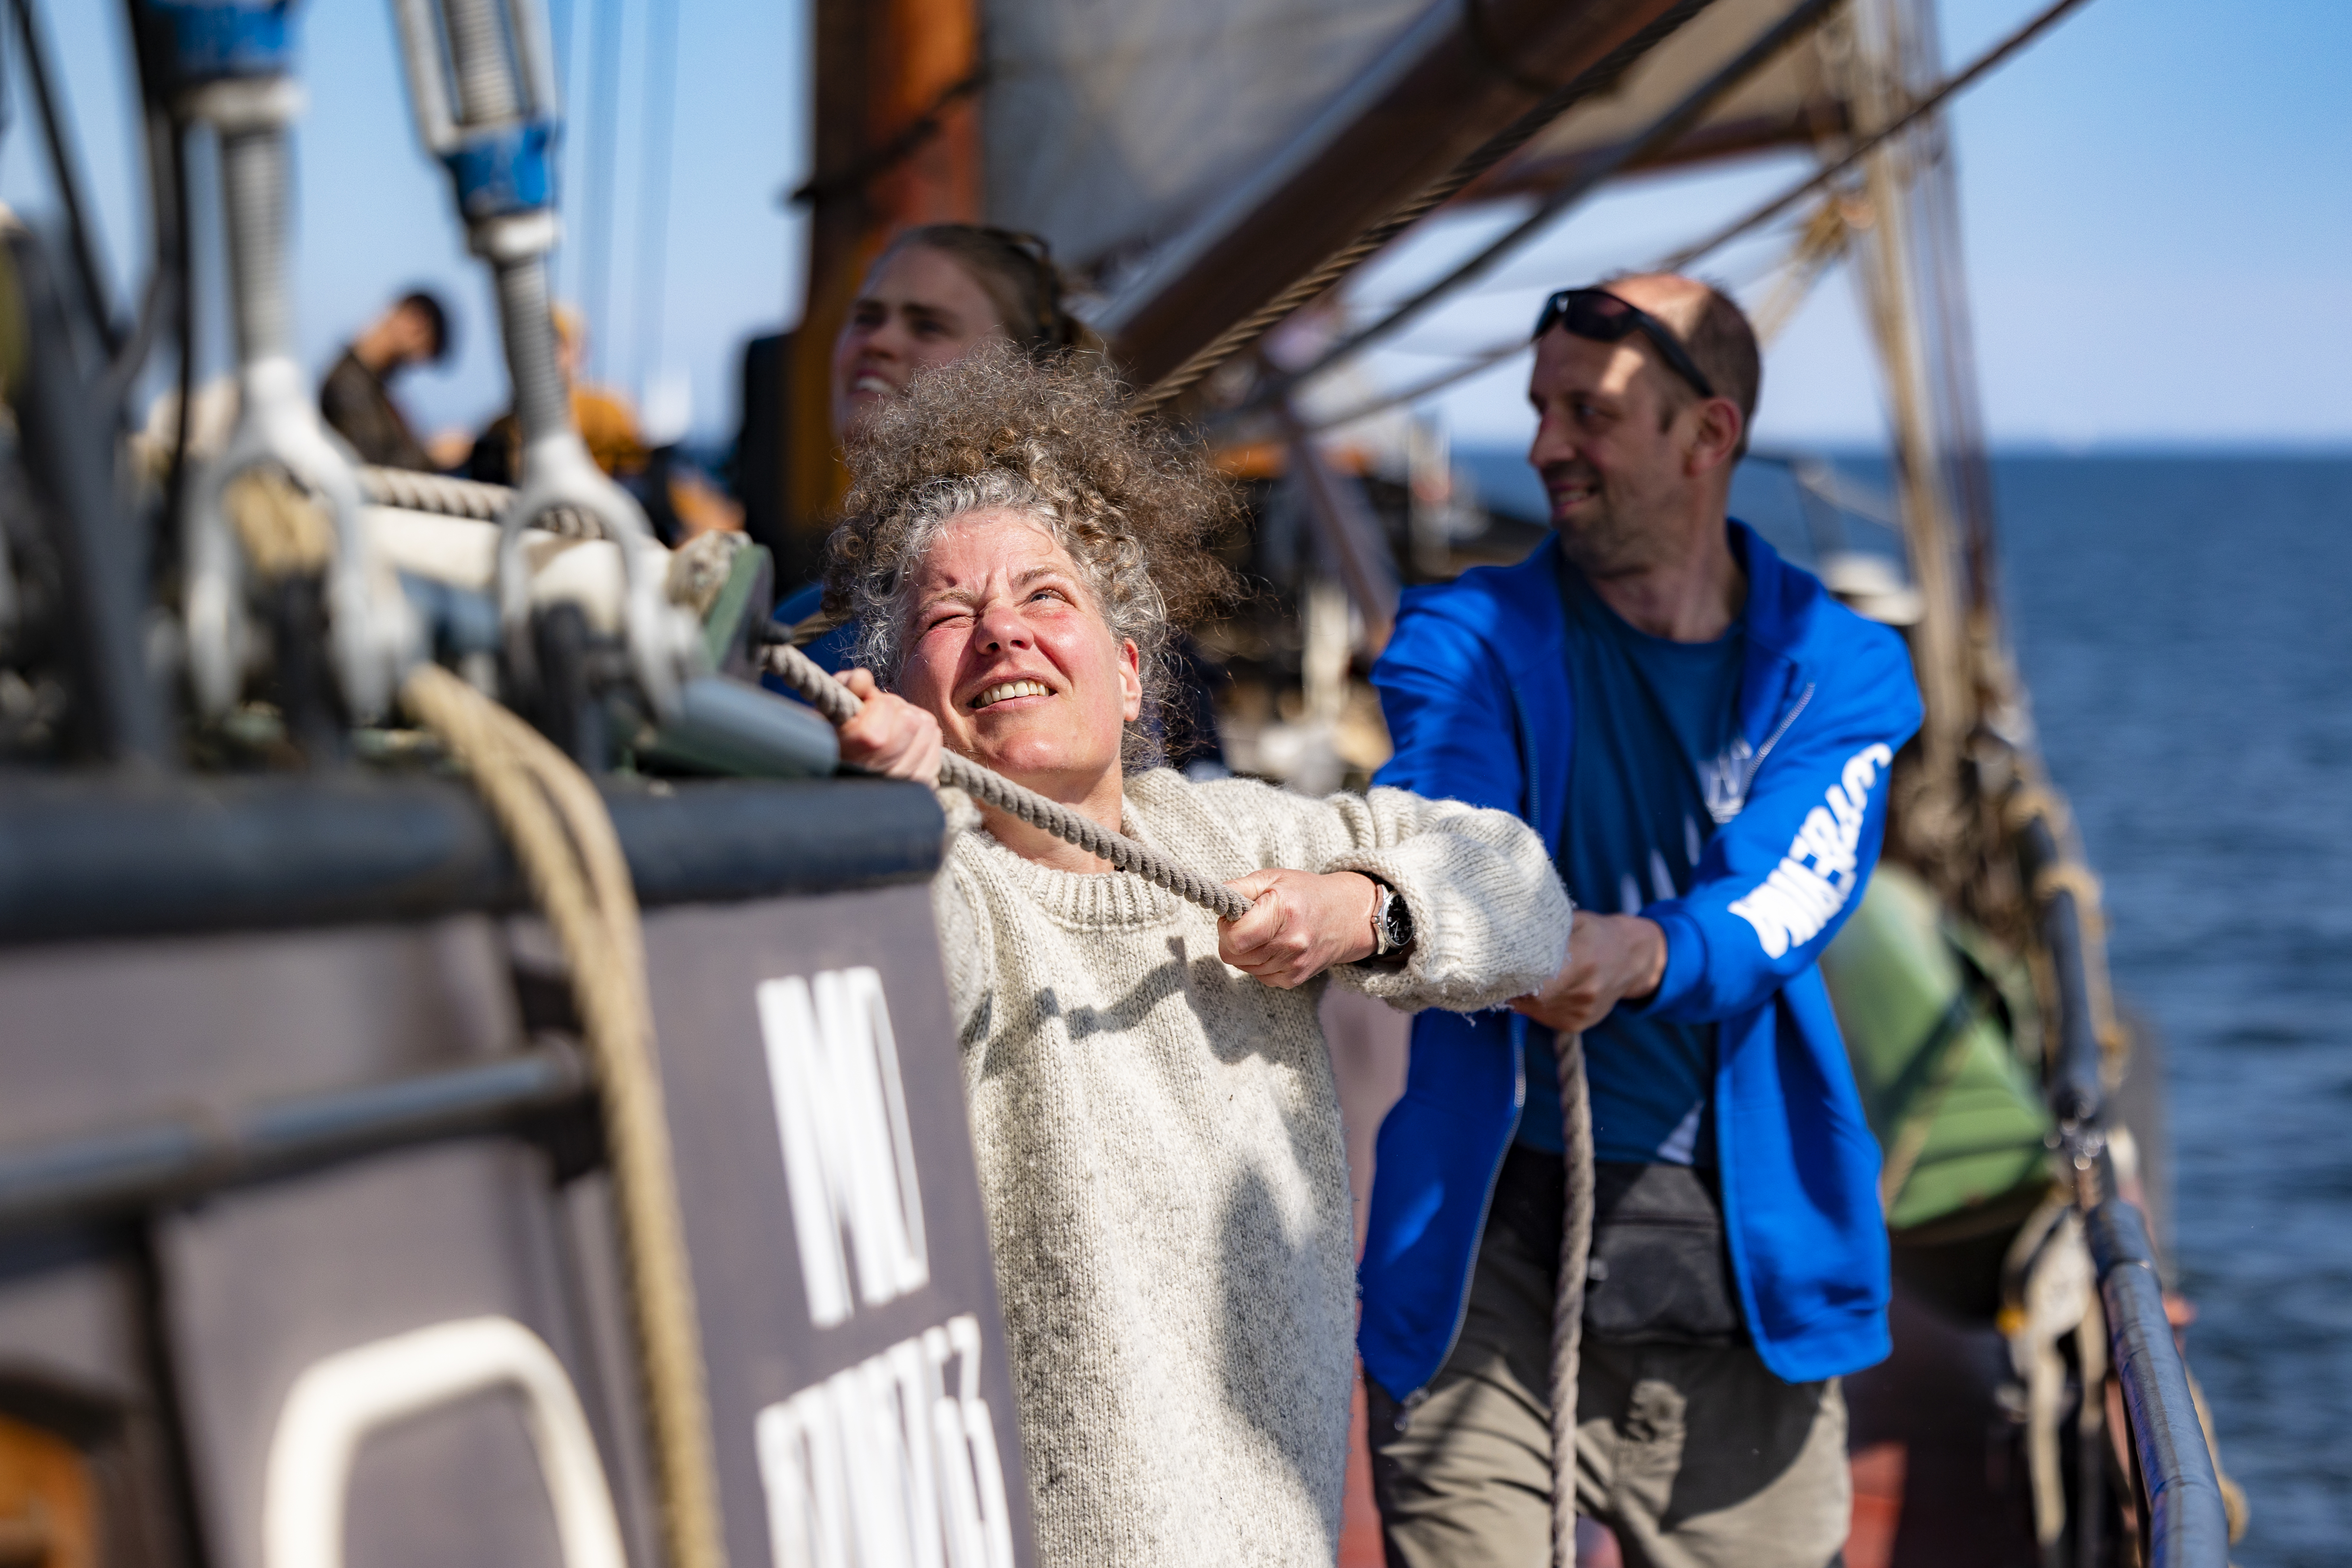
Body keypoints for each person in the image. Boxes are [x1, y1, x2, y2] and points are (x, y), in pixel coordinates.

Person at [828, 343, 1572, 1567]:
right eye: (946, 616)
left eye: (1042, 597)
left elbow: (1522, 889)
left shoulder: (1229, 836)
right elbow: (920, 976)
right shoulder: (937, 879)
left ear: (1128, 676)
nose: (999, 632)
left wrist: (1358, 905)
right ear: (902, 684)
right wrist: (891, 820)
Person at [1358, 275, 1924, 1568]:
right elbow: (1449, 819)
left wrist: (1636, 951)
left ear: (1705, 434)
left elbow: (1788, 890)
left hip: (1734, 1270)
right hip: (1484, 1264)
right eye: (1537, 408)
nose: (1545, 444)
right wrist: (1503, 920)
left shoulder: (1840, 672)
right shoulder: (1459, 637)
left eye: (1587, 412)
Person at [465, 304, 648, 486]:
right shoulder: (499, 429)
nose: (538, 352)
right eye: (529, 342)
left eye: (553, 341)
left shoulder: (607, 413)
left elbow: (639, 481)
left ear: (579, 352)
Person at [318, 289, 451, 470]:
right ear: (416, 325)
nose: (410, 368)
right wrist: (433, 455)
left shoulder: (372, 386)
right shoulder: (348, 384)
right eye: (412, 359)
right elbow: (374, 466)